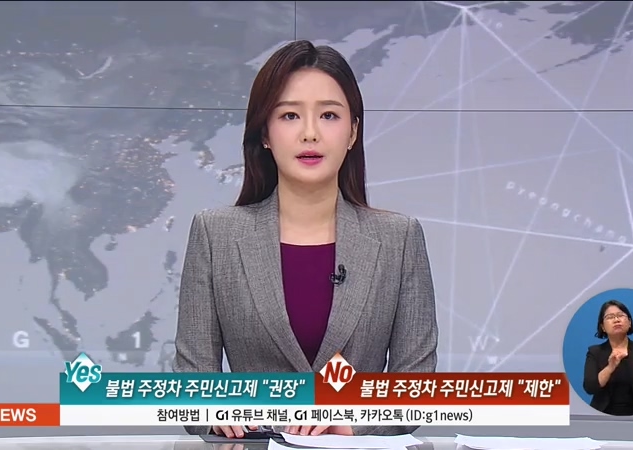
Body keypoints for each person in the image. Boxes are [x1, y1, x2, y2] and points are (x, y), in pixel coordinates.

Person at [172, 40, 439, 437]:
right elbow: (191, 386)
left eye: (329, 115)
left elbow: (416, 391)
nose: (310, 133)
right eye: (290, 115)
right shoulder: (216, 235)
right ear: (265, 133)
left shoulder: (398, 239)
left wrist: (352, 422)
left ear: (353, 131)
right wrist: (212, 409)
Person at [582, 299, 633, 416]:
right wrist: (610, 368)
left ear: (629, 322)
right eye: (610, 317)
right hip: (604, 415)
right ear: (603, 327)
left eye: (620, 315)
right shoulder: (595, 352)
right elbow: (590, 387)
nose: (616, 320)